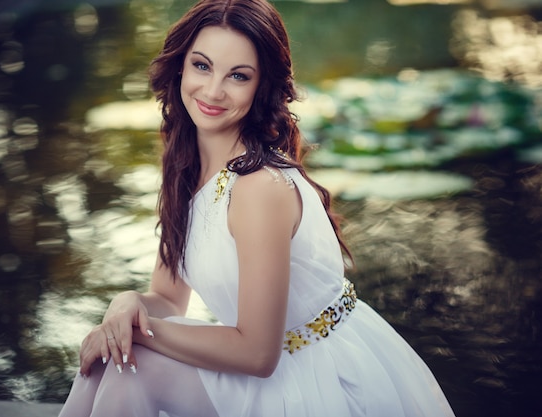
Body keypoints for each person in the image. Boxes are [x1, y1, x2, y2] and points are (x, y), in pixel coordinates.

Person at [58, 0, 456, 416]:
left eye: (238, 76)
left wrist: (140, 333)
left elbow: (257, 354)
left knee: (126, 362)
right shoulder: (186, 163)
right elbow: (167, 297)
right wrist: (126, 306)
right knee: (113, 356)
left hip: (309, 375)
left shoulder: (258, 187)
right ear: (180, 66)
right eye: (202, 66)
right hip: (253, 361)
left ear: (261, 85)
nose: (213, 91)